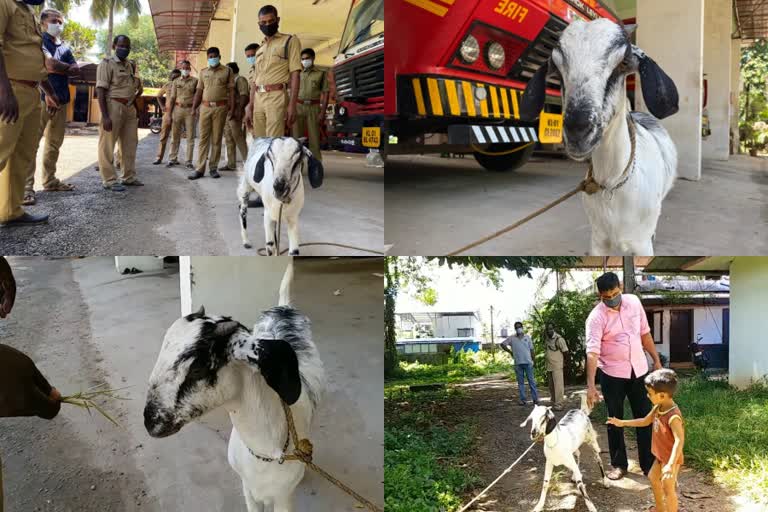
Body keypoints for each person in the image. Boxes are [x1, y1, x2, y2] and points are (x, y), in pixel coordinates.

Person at [586, 271, 663, 480]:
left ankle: (648, 465)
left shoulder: (634, 302)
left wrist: (655, 359)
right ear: (600, 296)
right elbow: (592, 353)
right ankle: (619, 465)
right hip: (612, 374)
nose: (612, 299)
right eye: (606, 297)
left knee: (645, 418)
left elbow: (644, 333)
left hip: (639, 371)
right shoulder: (596, 317)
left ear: (620, 287)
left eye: (614, 294)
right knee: (614, 420)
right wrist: (591, 386)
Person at [0, 0, 63, 227]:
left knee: (22, 155)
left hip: (32, 90)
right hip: (10, 90)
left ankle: (10, 211)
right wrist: (4, 91)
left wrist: (49, 92)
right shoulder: (4, 4)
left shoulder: (27, 11)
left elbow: (34, 57)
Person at [607, 369, 685, 512]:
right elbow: (644, 421)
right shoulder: (658, 407)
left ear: (662, 395)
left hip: (670, 458)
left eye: (650, 393)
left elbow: (679, 440)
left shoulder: (673, 416)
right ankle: (660, 509)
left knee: (668, 489)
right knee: (653, 479)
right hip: (660, 456)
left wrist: (670, 464)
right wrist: (622, 422)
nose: (647, 396)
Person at [23, 8, 78, 207]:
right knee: (31, 145)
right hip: (42, 99)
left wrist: (59, 67)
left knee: (54, 144)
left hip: (61, 100)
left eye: (61, 21)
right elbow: (50, 65)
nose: (58, 24)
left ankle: (50, 180)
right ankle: (26, 189)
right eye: (54, 20)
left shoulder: (64, 47)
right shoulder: (40, 42)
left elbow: (75, 69)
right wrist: (64, 68)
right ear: (43, 23)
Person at [245, 5, 301, 138]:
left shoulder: (289, 41)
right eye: (263, 22)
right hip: (258, 98)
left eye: (271, 21)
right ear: (259, 24)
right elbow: (255, 80)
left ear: (278, 20)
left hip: (276, 97)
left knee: (273, 142)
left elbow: (295, 74)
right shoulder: (260, 49)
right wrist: (250, 104)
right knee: (259, 142)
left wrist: (292, 105)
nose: (267, 25)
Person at [95, 35, 142, 191]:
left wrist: (136, 109)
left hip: (129, 108)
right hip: (113, 106)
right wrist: (105, 116)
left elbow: (131, 89)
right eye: (121, 45)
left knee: (130, 144)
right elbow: (100, 90)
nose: (125, 49)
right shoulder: (106, 63)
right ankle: (109, 179)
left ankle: (128, 177)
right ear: (115, 46)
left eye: (127, 46)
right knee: (107, 145)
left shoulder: (130, 65)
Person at [188, 47, 234, 180]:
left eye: (215, 56)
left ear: (219, 57)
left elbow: (231, 91)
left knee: (216, 139)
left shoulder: (227, 71)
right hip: (205, 108)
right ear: (207, 58)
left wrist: (232, 108)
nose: (212, 58)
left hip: (221, 108)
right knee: (203, 139)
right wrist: (193, 107)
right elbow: (198, 91)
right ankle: (199, 169)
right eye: (210, 57)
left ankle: (213, 168)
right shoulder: (203, 72)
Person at [292, 48, 329, 162]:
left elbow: (326, 92)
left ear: (313, 58)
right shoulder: (297, 74)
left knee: (314, 139)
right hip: (298, 106)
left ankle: (315, 166)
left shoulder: (321, 73)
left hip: (314, 107)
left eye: (307, 58)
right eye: (302, 59)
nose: (304, 61)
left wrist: (323, 112)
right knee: (297, 139)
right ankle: (297, 166)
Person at [166, 60, 197, 169]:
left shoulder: (195, 81)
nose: (185, 70)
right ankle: (172, 158)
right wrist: (169, 114)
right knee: (175, 135)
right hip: (177, 109)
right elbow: (172, 98)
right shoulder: (175, 82)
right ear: (181, 69)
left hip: (190, 110)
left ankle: (189, 161)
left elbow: (198, 96)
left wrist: (195, 109)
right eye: (183, 68)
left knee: (190, 137)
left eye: (187, 68)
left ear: (190, 69)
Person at [501, 321, 538, 405]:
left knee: (531, 381)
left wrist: (534, 360)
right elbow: (502, 344)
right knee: (521, 383)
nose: (518, 329)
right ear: (515, 329)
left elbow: (532, 350)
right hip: (518, 363)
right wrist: (510, 352)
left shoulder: (527, 337)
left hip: (528, 362)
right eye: (517, 327)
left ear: (522, 327)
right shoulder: (512, 338)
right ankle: (523, 399)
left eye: (519, 327)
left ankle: (535, 399)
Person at [221, 62, 248, 170]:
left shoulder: (240, 79)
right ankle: (231, 164)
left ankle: (248, 162)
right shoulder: (230, 81)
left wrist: (239, 110)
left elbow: (244, 95)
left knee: (238, 137)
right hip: (228, 112)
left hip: (236, 111)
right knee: (228, 138)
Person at [153, 68, 181, 165]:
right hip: (167, 113)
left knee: (175, 137)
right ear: (171, 76)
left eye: (177, 76)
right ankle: (159, 157)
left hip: (178, 113)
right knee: (163, 136)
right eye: (174, 76)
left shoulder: (182, 86)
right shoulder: (167, 85)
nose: (175, 78)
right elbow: (158, 96)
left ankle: (173, 158)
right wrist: (162, 106)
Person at [544, 323, 569, 410]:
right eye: (547, 329)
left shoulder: (559, 339)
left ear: (554, 329)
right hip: (549, 366)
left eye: (551, 329)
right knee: (551, 387)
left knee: (558, 386)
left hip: (557, 365)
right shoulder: (547, 339)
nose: (549, 331)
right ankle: (554, 403)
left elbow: (566, 352)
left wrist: (565, 363)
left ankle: (559, 404)